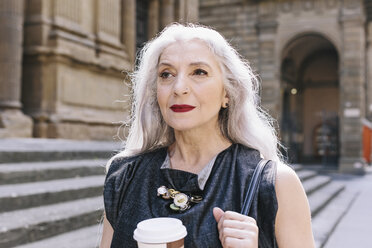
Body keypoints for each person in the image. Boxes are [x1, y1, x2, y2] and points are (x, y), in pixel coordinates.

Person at [100, 23, 314, 248]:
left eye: (199, 72)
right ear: (156, 92)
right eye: (166, 74)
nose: (179, 87)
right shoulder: (124, 176)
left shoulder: (276, 183)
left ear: (227, 93)